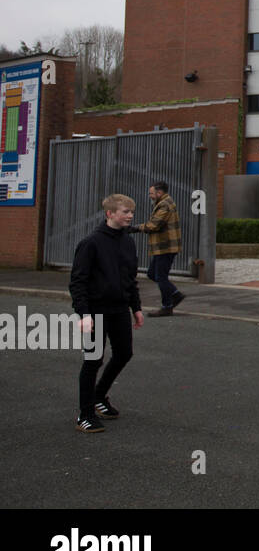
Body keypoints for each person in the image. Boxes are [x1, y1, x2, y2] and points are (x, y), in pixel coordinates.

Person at [69, 194, 145, 433]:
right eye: (125, 212)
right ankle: (85, 414)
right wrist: (84, 314)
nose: (130, 216)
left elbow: (130, 278)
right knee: (93, 360)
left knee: (124, 353)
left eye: (131, 212)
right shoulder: (91, 243)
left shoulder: (128, 242)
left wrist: (137, 308)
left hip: (120, 309)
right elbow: (78, 282)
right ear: (110, 214)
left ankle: (99, 397)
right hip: (96, 311)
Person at [134, 180, 184, 317]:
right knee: (152, 274)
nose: (150, 195)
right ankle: (175, 294)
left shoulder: (165, 205)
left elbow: (154, 225)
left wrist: (135, 228)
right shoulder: (163, 203)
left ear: (159, 192)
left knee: (161, 277)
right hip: (163, 247)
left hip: (166, 246)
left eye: (151, 193)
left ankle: (167, 306)